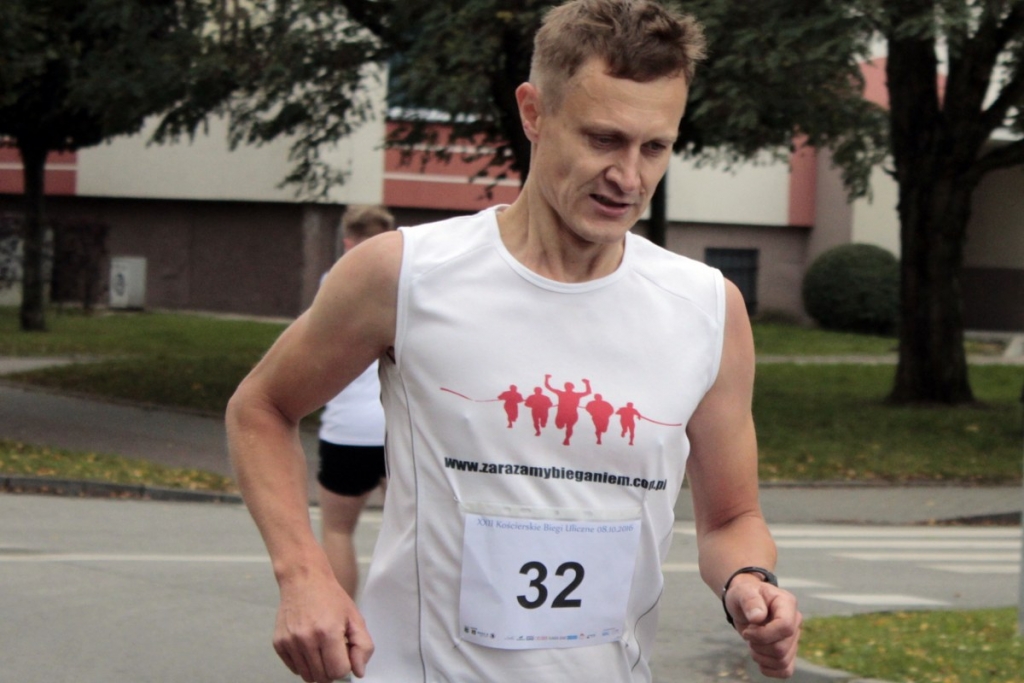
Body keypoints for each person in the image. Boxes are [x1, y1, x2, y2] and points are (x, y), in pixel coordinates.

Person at [225, 1, 802, 681]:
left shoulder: (706, 308)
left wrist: (748, 581)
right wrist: (303, 574)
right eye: (603, 139)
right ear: (533, 112)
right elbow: (261, 407)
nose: (629, 177)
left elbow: (732, 517)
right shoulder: (406, 273)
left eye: (655, 147)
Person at [315, 205, 394, 598]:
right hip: (397, 427)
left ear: (348, 242)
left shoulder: (334, 281)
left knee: (337, 530)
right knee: (405, 533)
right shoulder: (408, 280)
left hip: (348, 429)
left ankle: (342, 622)